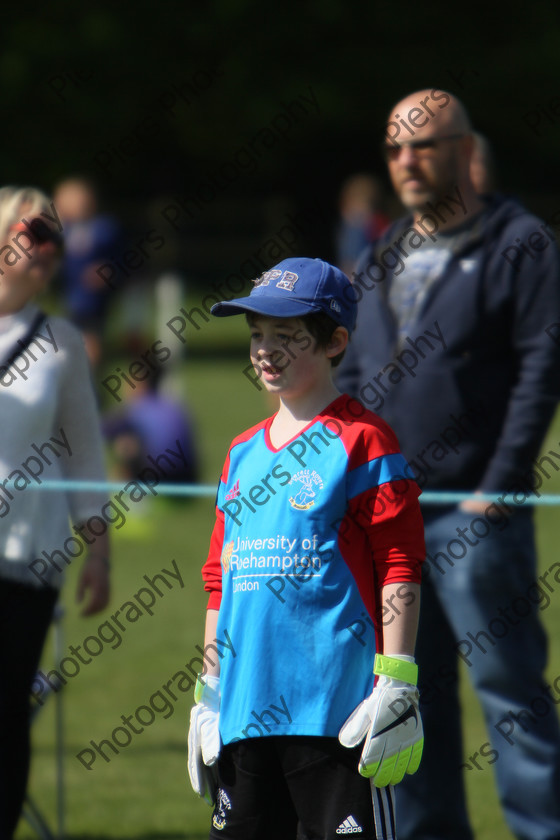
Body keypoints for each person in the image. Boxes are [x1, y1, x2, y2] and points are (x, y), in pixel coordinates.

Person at [336, 90, 560, 840]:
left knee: (511, 697)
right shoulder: (384, 249)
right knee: (405, 703)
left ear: (465, 151)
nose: (406, 160)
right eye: (395, 147)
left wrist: (498, 484)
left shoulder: (521, 244)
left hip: (476, 515)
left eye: (424, 145)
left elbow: (541, 367)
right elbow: (350, 375)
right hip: (386, 520)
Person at [187, 257, 425, 840]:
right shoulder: (241, 454)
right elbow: (220, 579)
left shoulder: (365, 440)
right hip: (244, 718)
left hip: (338, 720)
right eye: (257, 335)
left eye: (287, 335)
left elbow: (400, 564)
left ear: (335, 341)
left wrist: (398, 680)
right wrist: (209, 692)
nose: (265, 349)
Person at [0, 185, 110, 838]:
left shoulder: (62, 341)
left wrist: (98, 550)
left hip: (27, 558)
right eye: (32, 233)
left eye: (54, 237)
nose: (47, 249)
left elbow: (86, 456)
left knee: (7, 711)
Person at [53, 176, 121, 368]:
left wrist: (110, 271)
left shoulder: (104, 230)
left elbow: (122, 260)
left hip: (92, 302)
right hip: (68, 299)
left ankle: (89, 384)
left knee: (90, 347)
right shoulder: (61, 231)